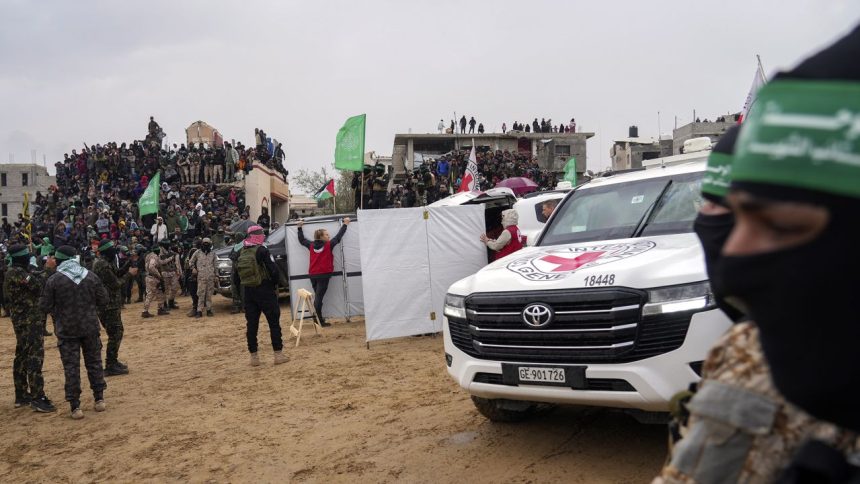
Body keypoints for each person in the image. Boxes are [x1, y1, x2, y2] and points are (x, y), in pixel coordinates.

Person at [39, 246, 109, 420]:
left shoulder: (54, 280)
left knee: (71, 367)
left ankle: (75, 406)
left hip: (67, 330)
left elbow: (44, 306)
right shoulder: (90, 276)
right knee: (94, 362)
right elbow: (104, 300)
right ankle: (99, 398)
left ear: (60, 260)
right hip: (90, 327)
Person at [3, 244, 55, 412]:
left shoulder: (15, 272)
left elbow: (32, 279)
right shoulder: (17, 273)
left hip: (21, 321)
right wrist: (48, 269)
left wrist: (36, 271)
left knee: (22, 355)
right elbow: (37, 286)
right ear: (21, 258)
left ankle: (21, 394)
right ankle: (37, 396)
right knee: (34, 356)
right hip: (29, 322)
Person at [235, 225, 287, 366]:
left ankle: (254, 357)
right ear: (259, 235)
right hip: (265, 290)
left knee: (252, 325)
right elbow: (273, 270)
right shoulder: (262, 250)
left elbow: (236, 276)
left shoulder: (241, 251)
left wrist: (240, 295)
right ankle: (278, 355)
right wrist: (274, 284)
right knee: (273, 322)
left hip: (248, 291)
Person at [296, 218, 349, 327]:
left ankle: (319, 319)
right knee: (319, 298)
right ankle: (318, 320)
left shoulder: (311, 245)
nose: (328, 236)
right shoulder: (329, 245)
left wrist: (299, 227)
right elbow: (339, 236)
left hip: (313, 275)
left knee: (318, 297)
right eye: (326, 235)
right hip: (324, 275)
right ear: (320, 237)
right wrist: (345, 224)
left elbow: (301, 240)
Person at [91, 239, 131, 376]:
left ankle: (112, 361)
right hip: (107, 306)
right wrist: (129, 274)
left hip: (110, 304)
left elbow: (117, 273)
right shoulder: (102, 265)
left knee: (115, 332)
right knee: (115, 333)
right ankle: (110, 364)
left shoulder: (106, 262)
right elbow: (115, 283)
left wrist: (128, 265)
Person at [188, 237, 217, 317]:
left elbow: (215, 265)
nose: (206, 245)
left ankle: (209, 310)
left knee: (209, 294)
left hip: (210, 277)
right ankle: (199, 311)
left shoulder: (213, 253)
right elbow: (190, 262)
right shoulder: (198, 252)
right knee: (201, 294)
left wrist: (216, 275)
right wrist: (193, 268)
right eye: (205, 243)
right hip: (201, 277)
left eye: (207, 243)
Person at [142, 245, 168, 318]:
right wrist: (158, 275)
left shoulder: (148, 256)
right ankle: (145, 311)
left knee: (158, 293)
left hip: (149, 277)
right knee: (152, 294)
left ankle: (160, 308)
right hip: (153, 277)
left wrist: (169, 259)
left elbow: (160, 262)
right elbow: (151, 266)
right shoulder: (154, 257)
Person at [159, 240, 181, 310]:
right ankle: (165, 304)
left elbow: (177, 262)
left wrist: (179, 271)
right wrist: (171, 258)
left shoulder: (172, 252)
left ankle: (171, 302)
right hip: (164, 273)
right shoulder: (159, 253)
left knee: (175, 288)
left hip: (173, 272)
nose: (168, 246)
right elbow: (162, 262)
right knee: (165, 290)